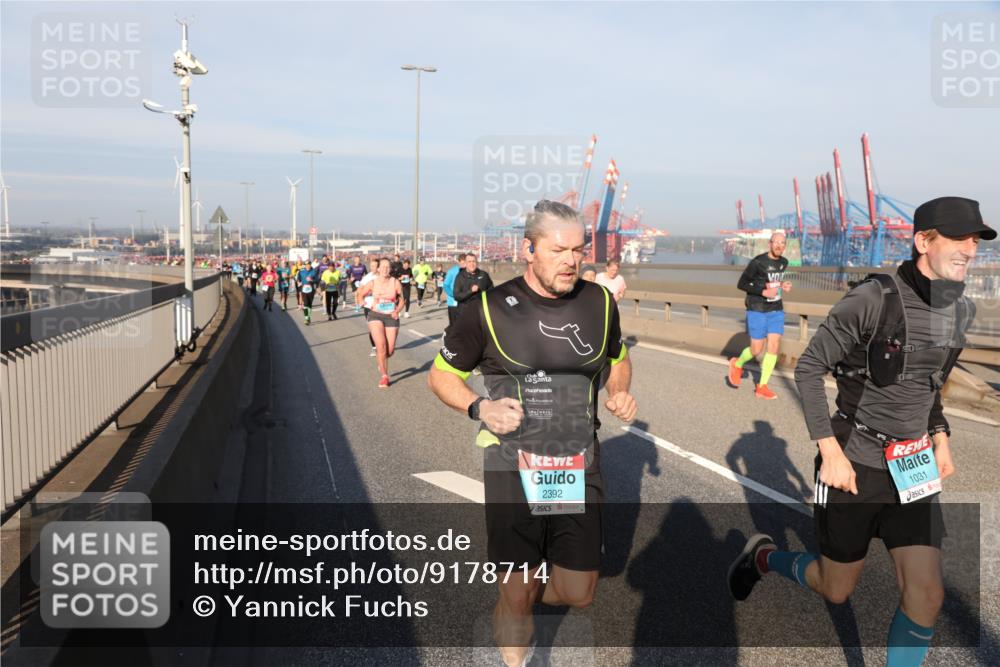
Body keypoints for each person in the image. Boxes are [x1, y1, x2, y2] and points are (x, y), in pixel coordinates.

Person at [728, 197, 994, 667]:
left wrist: (940, 435)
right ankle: (764, 557)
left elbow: (929, 386)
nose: (969, 249)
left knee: (927, 595)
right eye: (957, 238)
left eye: (975, 240)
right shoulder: (874, 298)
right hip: (855, 464)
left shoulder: (961, 311)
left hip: (912, 471)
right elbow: (809, 369)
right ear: (922, 242)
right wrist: (830, 451)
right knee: (836, 587)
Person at [428, 200, 637, 667]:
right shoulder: (484, 309)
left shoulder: (599, 302)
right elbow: (441, 377)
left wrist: (619, 391)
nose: (571, 261)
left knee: (579, 592)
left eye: (579, 251)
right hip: (512, 463)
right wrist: (480, 406)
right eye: (559, 250)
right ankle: (514, 625)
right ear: (528, 249)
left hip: (576, 463)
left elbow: (617, 358)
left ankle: (516, 592)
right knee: (520, 596)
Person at [727, 231, 792, 400]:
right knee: (757, 350)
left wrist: (782, 285)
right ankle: (738, 363)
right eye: (776, 242)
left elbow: (773, 282)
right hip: (757, 307)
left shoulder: (784, 262)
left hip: (776, 309)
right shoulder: (758, 262)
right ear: (770, 244)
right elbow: (741, 284)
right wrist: (763, 291)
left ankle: (762, 386)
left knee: (774, 347)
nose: (779, 246)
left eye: (782, 243)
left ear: (785, 246)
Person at [355, 258, 403, 388]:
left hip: (391, 316)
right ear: (379, 268)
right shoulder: (372, 282)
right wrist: (361, 301)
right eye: (383, 267)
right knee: (380, 346)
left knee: (390, 350)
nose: (385, 269)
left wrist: (397, 310)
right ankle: (384, 376)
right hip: (375, 314)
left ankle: (381, 361)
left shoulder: (395, 282)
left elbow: (402, 300)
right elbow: (360, 293)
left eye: (388, 267)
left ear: (390, 269)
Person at [356, 258, 380, 356]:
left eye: (374, 266)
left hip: (381, 305)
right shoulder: (367, 277)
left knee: (382, 326)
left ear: (379, 267)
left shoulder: (384, 277)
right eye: (371, 266)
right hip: (369, 305)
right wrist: (364, 294)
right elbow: (359, 290)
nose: (372, 268)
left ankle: (382, 344)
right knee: (372, 328)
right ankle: (374, 347)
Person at [442, 254, 466, 326]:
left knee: (463, 325)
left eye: (465, 263)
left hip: (465, 302)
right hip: (453, 302)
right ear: (458, 262)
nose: (464, 265)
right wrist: (454, 295)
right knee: (453, 325)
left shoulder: (469, 272)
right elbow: (446, 285)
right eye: (462, 263)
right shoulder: (452, 271)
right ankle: (448, 334)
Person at [296, 260, 319, 325]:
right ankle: (306, 318)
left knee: (310, 304)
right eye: (306, 265)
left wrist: (312, 280)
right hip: (304, 289)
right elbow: (298, 279)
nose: (308, 266)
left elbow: (317, 280)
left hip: (311, 289)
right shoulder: (301, 272)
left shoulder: (314, 271)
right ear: (305, 265)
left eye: (309, 264)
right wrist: (298, 282)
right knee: (305, 303)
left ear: (310, 264)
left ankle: (308, 317)